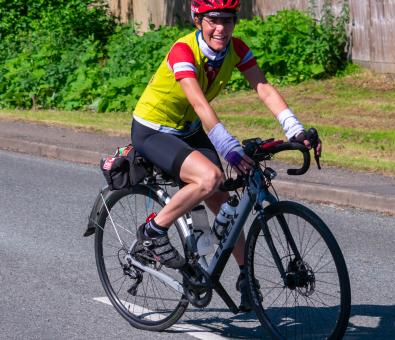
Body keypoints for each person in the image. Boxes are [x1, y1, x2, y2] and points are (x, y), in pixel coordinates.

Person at [130, 0, 321, 311]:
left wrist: (294, 128)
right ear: (197, 20)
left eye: (228, 20)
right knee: (211, 178)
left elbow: (263, 88)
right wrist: (228, 147)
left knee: (223, 203)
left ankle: (246, 278)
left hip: (188, 128)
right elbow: (200, 103)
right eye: (213, 20)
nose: (220, 28)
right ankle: (153, 231)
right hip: (154, 129)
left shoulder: (236, 49)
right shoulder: (183, 51)